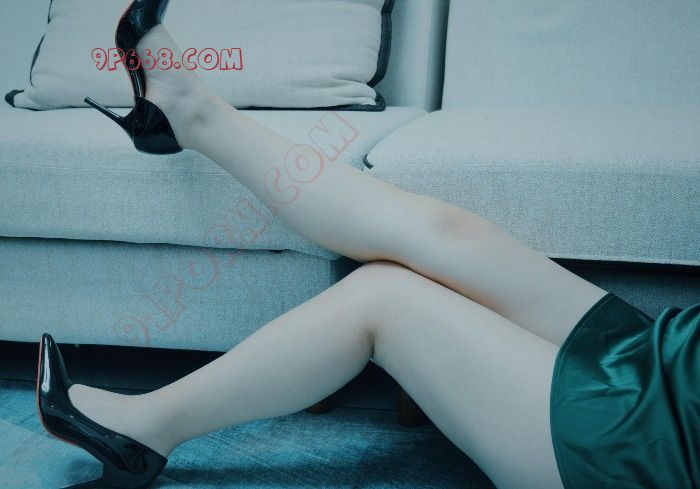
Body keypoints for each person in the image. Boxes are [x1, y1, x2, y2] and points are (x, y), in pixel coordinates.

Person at [36, 1, 699, 488]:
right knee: (453, 235)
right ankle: (193, 115)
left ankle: (145, 427)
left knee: (385, 297)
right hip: (671, 355)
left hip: (655, 446)